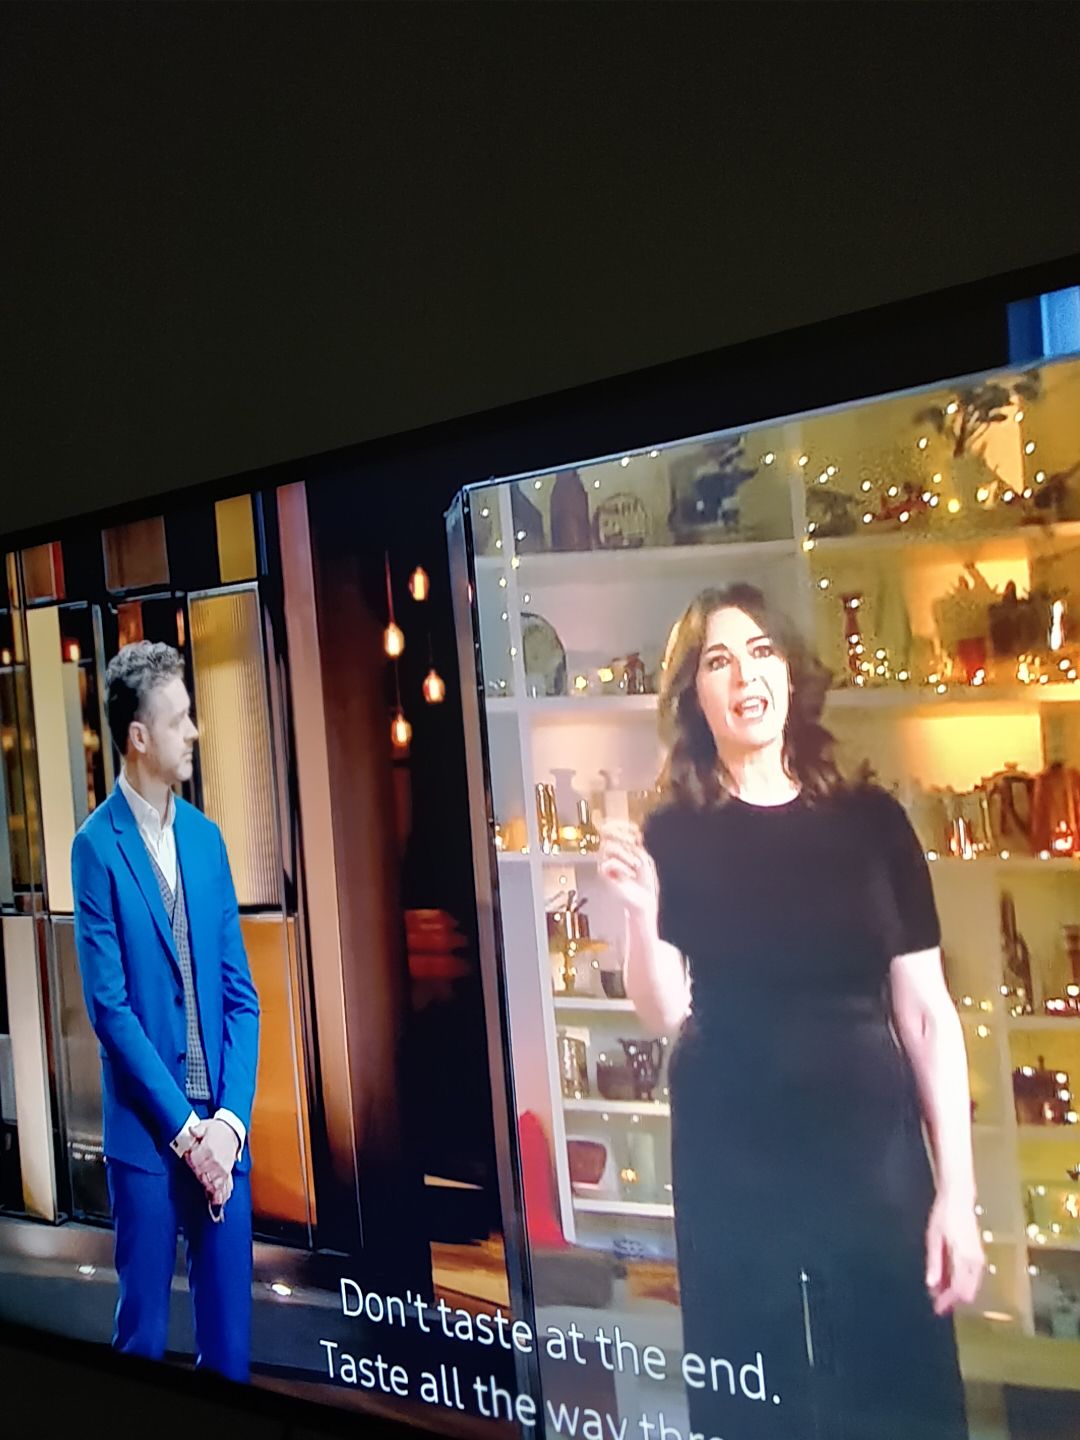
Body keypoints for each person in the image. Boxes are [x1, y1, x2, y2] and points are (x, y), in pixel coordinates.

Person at [598, 582, 983, 1440]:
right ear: (695, 696)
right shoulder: (675, 831)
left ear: (790, 673)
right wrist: (641, 912)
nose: (745, 676)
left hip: (872, 1159)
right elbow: (665, 1009)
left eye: (761, 651)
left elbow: (927, 1016)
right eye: (719, 661)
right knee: (754, 1404)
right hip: (732, 1159)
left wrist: (957, 1195)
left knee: (901, 1397)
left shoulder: (873, 822)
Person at [71, 640, 260, 1382]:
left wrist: (229, 1126)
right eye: (178, 720)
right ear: (139, 737)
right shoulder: (95, 849)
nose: (194, 732)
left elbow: (241, 998)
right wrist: (187, 1135)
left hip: (224, 1137)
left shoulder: (208, 842)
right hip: (150, 1143)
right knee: (143, 1344)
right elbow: (110, 1012)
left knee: (232, 1360)